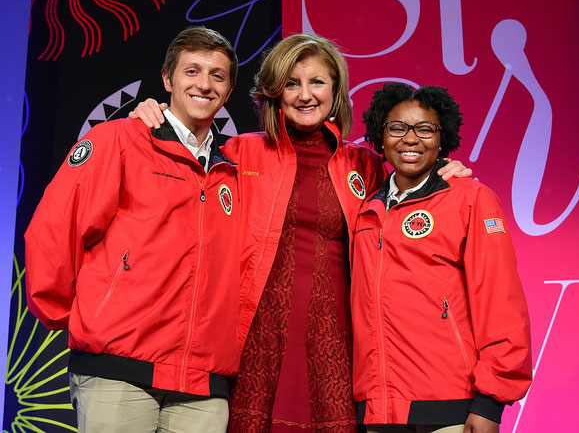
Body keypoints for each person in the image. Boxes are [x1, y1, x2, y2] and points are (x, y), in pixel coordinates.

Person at [131, 34, 471, 432]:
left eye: (317, 82)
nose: (305, 95)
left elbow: (411, 188)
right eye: (292, 83)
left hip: (337, 344)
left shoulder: (365, 164)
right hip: (256, 340)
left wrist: (447, 172)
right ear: (275, 93)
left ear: (336, 90)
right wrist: (151, 115)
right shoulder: (239, 153)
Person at [24, 26, 248, 433]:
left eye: (217, 76)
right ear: (168, 79)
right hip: (119, 369)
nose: (204, 84)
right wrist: (81, 318)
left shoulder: (234, 171)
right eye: (192, 71)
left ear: (229, 91)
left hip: (203, 382)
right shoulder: (117, 140)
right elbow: (54, 230)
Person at [350, 83, 532, 433]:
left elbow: (500, 301)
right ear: (380, 134)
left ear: (441, 136)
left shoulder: (471, 199)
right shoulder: (365, 208)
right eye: (397, 128)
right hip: (378, 407)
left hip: (451, 405)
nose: (410, 139)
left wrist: (490, 402)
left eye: (425, 129)